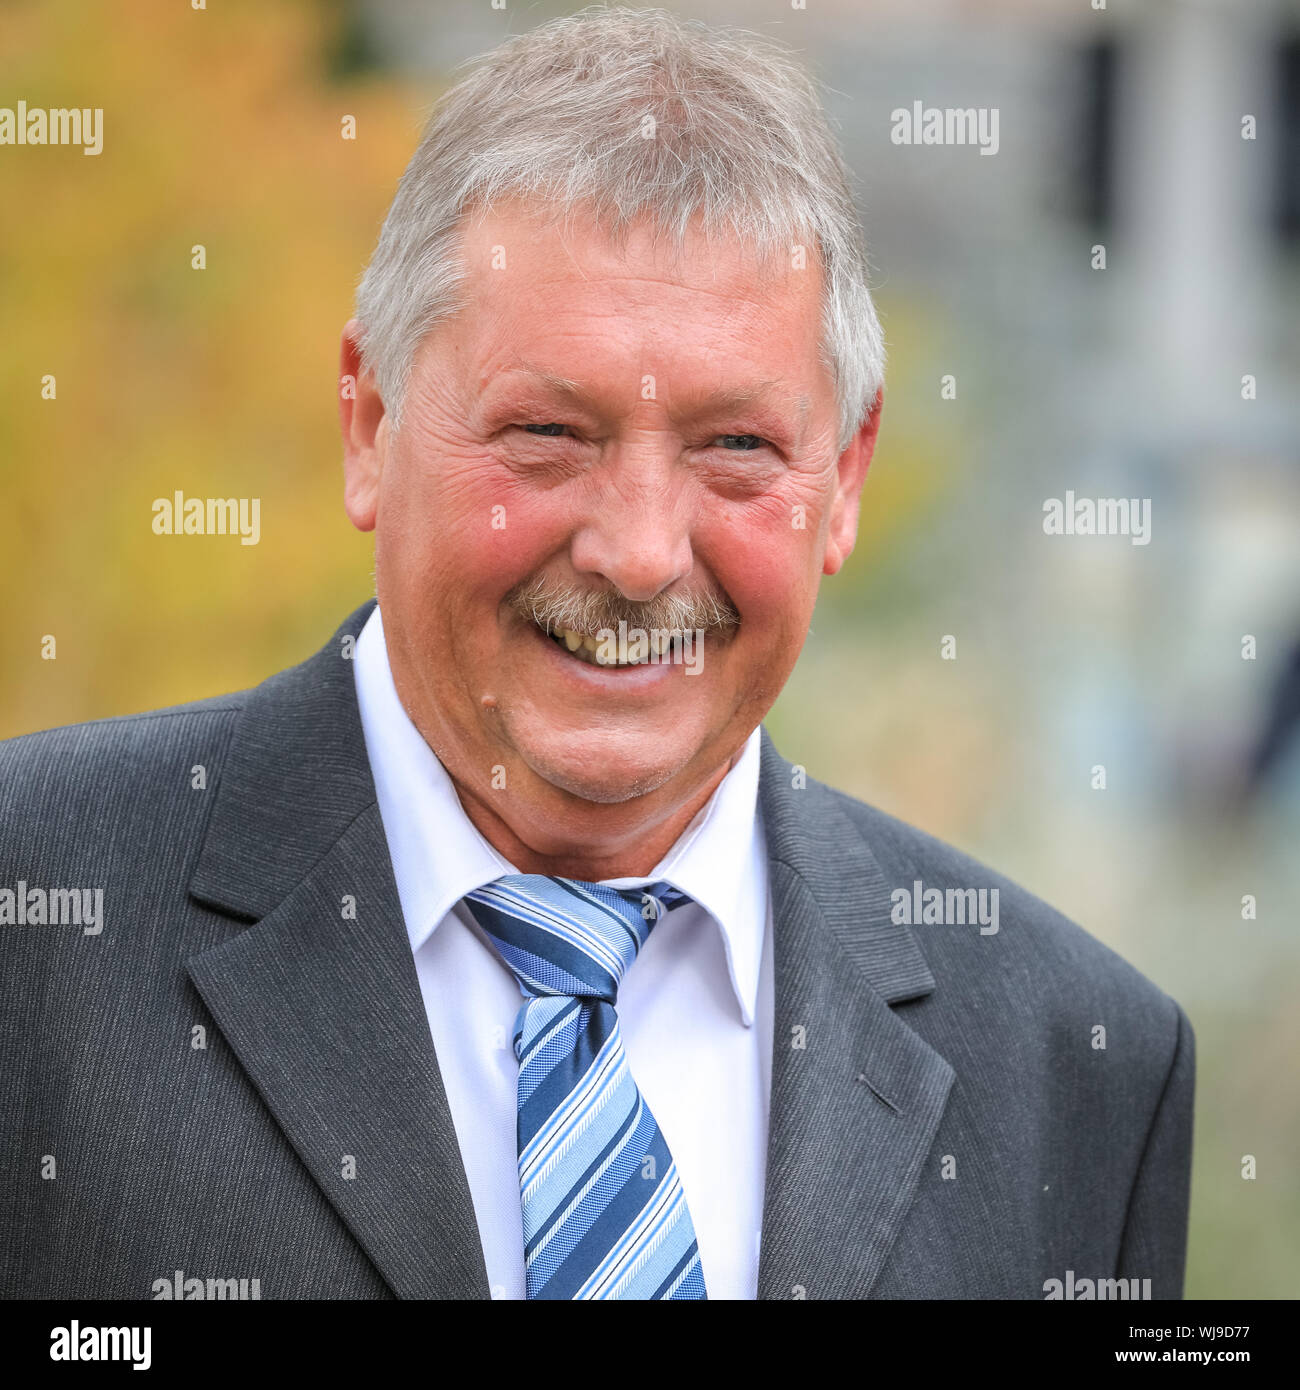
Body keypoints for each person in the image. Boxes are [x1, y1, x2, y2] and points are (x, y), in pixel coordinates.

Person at [0, 6, 1192, 1301]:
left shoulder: (1081, 1065)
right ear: (369, 424)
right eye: (547, 432)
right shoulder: (38, 931)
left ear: (844, 478)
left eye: (736, 445)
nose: (636, 552)